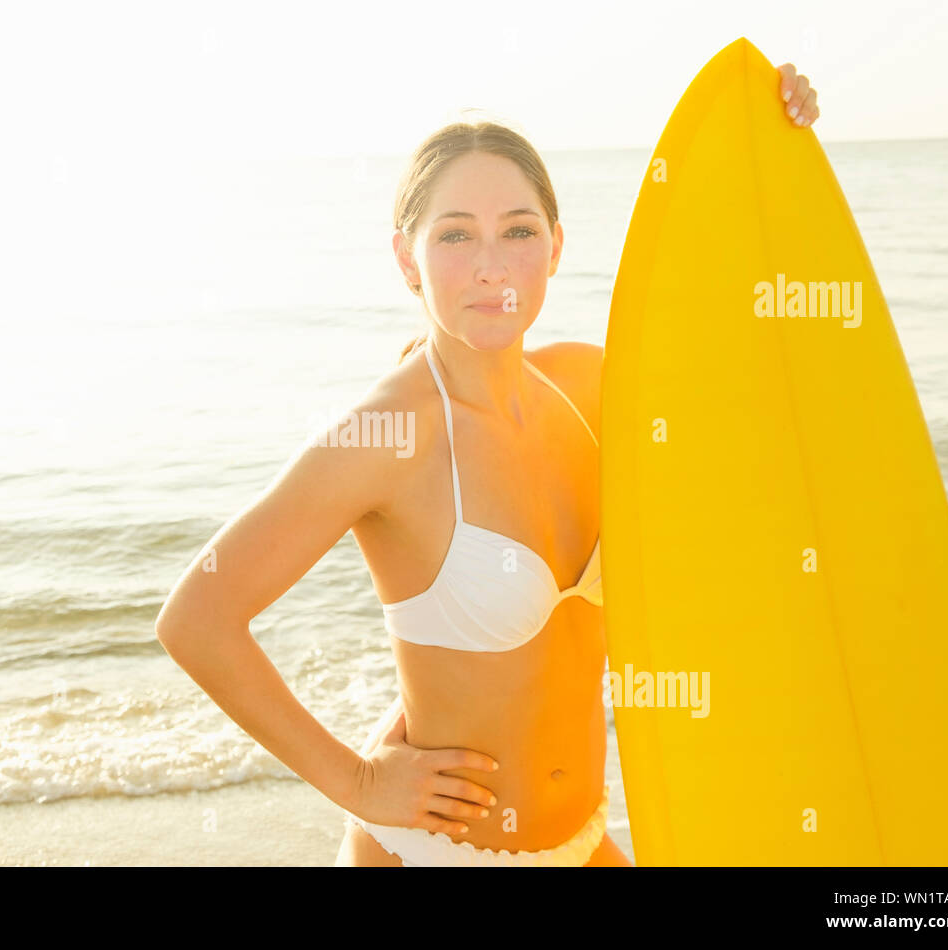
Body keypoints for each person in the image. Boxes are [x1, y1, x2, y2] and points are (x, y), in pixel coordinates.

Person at [155, 64, 820, 866]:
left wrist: (769, 141)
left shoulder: (592, 385)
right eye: (455, 234)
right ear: (407, 258)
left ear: (556, 244)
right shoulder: (391, 433)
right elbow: (197, 619)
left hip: (585, 840)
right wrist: (361, 784)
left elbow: (754, 367)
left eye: (518, 230)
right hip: (436, 855)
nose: (492, 266)